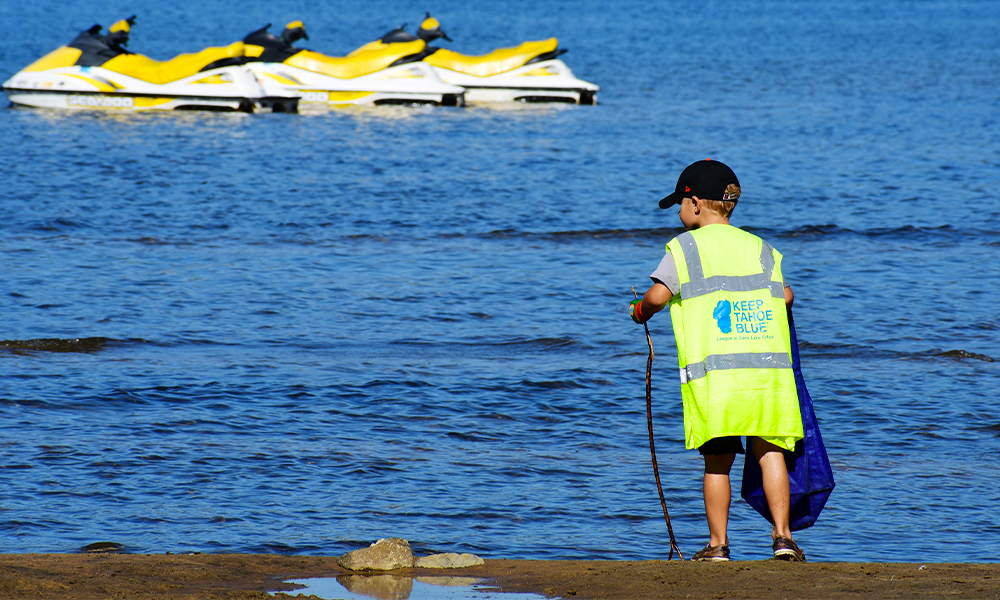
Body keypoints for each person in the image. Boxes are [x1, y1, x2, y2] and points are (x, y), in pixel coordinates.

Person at [629, 159, 806, 562]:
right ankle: (783, 539)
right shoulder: (760, 248)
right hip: (766, 375)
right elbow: (787, 296)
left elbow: (657, 296)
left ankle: (718, 545)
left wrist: (639, 310)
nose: (677, 212)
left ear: (694, 203)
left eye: (679, 203)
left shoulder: (684, 247)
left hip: (717, 380)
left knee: (718, 463)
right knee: (770, 452)